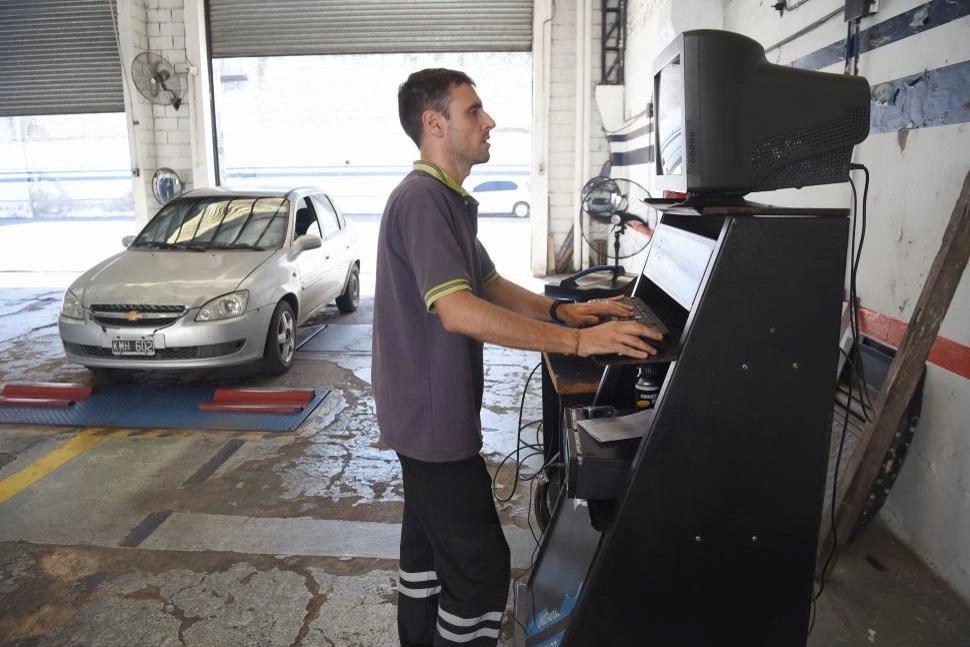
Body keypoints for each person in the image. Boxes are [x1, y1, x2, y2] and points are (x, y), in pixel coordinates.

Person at [373, 68, 662, 647]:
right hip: (433, 421)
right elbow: (459, 310)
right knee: (480, 568)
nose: (489, 121)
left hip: (420, 412)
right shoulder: (423, 200)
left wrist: (562, 313)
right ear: (435, 124)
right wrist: (579, 345)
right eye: (473, 110)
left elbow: (489, 282)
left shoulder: (444, 199)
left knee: (427, 550)